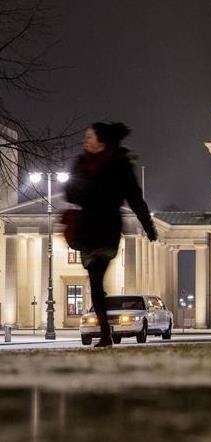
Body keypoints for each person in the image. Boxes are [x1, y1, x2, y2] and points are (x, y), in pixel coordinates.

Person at [65, 123, 157, 348]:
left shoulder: (120, 164)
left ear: (102, 140)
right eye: (85, 136)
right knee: (95, 283)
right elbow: (70, 193)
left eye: (90, 136)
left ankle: (105, 333)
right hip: (87, 229)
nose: (85, 140)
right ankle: (105, 332)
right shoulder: (80, 164)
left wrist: (148, 226)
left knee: (97, 276)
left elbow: (135, 197)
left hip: (107, 229)